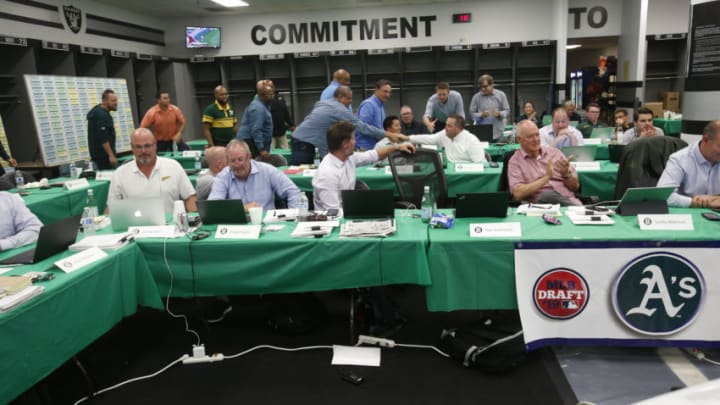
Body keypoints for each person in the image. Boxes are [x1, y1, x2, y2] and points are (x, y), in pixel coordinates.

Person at [313, 120, 415, 211]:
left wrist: (397, 147)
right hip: (334, 224)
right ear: (344, 144)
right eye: (353, 139)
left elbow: (373, 155)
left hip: (349, 213)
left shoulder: (348, 158)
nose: (355, 142)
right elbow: (333, 214)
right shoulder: (327, 173)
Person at [290, 86, 406, 164]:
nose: (351, 102)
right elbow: (362, 127)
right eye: (349, 99)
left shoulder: (323, 103)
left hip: (299, 138)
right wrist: (388, 134)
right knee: (301, 173)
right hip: (305, 143)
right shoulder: (340, 109)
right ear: (340, 97)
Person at [108, 128, 196, 214]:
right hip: (134, 227)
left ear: (155, 145)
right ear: (132, 147)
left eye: (147, 146)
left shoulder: (173, 166)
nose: (143, 151)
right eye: (138, 147)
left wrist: (195, 218)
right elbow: (111, 208)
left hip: (171, 226)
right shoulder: (119, 174)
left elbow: (190, 197)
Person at [208, 140, 300, 211]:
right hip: (236, 226)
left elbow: (293, 191)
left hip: (266, 224)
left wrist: (294, 216)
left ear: (249, 157)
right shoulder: (223, 176)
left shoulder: (267, 170)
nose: (237, 165)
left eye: (240, 160)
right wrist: (242, 209)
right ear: (227, 161)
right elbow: (213, 207)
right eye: (232, 161)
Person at [508, 120, 581, 206]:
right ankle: (579, 209)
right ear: (519, 139)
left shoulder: (555, 153)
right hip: (542, 208)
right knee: (548, 195)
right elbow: (517, 194)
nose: (536, 139)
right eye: (530, 137)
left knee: (553, 196)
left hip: (568, 201)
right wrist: (546, 178)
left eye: (537, 135)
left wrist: (566, 174)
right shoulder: (515, 161)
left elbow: (575, 187)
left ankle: (579, 209)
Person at [657, 120, 720, 208]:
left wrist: (716, 199)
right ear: (705, 139)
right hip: (688, 216)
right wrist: (696, 202)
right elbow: (662, 197)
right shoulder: (679, 159)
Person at [407, 115, 486, 163]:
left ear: (458, 128)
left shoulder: (472, 141)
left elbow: (481, 165)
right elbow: (428, 138)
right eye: (446, 125)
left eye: (449, 126)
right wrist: (407, 138)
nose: (445, 128)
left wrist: (460, 167)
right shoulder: (444, 134)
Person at [237, 85, 274, 160]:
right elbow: (256, 129)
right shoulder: (258, 108)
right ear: (262, 95)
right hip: (250, 142)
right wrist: (261, 149)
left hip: (253, 141)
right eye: (270, 94)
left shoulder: (263, 106)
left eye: (273, 94)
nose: (273, 96)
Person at [469, 74, 509, 141]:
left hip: (498, 132)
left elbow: (507, 111)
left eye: (485, 86)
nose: (483, 89)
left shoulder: (501, 95)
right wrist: (481, 115)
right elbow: (471, 114)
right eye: (481, 87)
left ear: (492, 84)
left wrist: (499, 114)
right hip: (482, 133)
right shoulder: (476, 97)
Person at [355, 79, 393, 150]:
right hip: (365, 149)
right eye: (385, 91)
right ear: (376, 90)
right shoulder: (369, 105)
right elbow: (363, 128)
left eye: (389, 92)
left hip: (374, 148)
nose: (388, 95)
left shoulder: (380, 106)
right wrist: (385, 134)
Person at [87, 89, 118, 170]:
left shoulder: (97, 110)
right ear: (105, 101)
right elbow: (103, 138)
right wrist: (111, 155)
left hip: (99, 156)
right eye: (113, 101)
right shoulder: (102, 115)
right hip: (104, 158)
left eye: (116, 100)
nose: (116, 103)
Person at [268, 84, 295, 150]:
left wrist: (291, 125)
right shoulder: (263, 101)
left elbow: (286, 113)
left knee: (285, 152)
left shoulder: (281, 99)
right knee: (270, 156)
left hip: (281, 133)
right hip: (270, 134)